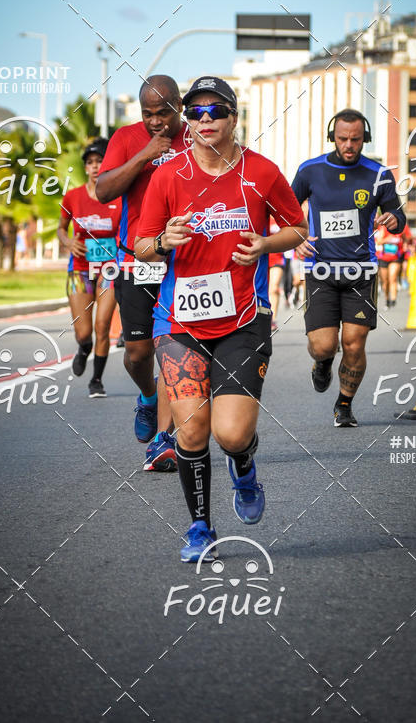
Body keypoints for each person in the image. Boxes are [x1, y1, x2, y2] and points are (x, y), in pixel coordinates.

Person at [134, 76, 308, 562]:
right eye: (195, 112)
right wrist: (163, 241)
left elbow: (296, 227)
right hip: (179, 322)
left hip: (243, 319)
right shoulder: (168, 175)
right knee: (190, 430)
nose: (205, 119)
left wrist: (266, 245)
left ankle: (244, 466)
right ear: (186, 122)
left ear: (234, 117)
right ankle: (200, 528)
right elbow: (142, 245)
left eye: (216, 111)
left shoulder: (261, 172)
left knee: (230, 434)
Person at [96, 75, 192, 471]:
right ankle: (148, 399)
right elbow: (103, 191)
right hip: (136, 259)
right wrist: (145, 155)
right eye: (148, 114)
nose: (156, 121)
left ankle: (164, 441)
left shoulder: (197, 136)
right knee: (137, 354)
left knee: (169, 348)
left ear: (179, 107)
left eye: (163, 113)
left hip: (182, 261)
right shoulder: (125, 138)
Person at [291, 108, 406, 428]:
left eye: (356, 139)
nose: (349, 145)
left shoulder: (379, 174)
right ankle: (323, 363)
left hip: (361, 271)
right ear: (333, 137)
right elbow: (285, 209)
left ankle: (344, 404)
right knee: (324, 344)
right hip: (321, 270)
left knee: (354, 343)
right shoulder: (310, 170)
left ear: (364, 138)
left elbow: (397, 214)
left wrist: (394, 219)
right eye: (343, 139)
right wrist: (295, 238)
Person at [58, 138, 121, 398]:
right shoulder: (72, 197)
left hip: (109, 270)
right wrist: (69, 241)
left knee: (103, 325)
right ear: (85, 168)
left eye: (100, 162)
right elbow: (61, 228)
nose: (95, 167)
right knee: (84, 332)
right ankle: (84, 348)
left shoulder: (118, 196)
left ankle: (97, 379)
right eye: (90, 163)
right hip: (79, 270)